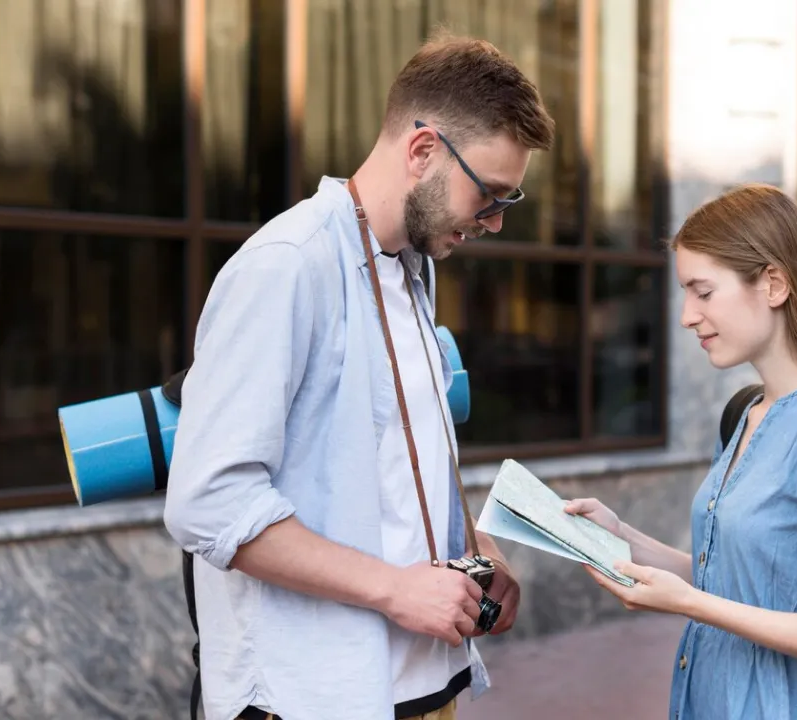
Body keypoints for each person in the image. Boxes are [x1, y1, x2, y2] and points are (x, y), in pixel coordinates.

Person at [163, 34, 555, 720]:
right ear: (423, 150)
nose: (494, 221)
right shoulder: (287, 264)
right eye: (489, 195)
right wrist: (396, 589)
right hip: (310, 695)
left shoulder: (414, 267)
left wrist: (472, 547)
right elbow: (209, 502)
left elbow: (408, 446)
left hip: (424, 682)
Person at [565, 184, 797, 719]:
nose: (686, 316)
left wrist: (691, 605)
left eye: (703, 291)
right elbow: (735, 580)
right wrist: (621, 537)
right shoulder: (746, 415)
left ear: (774, 284)